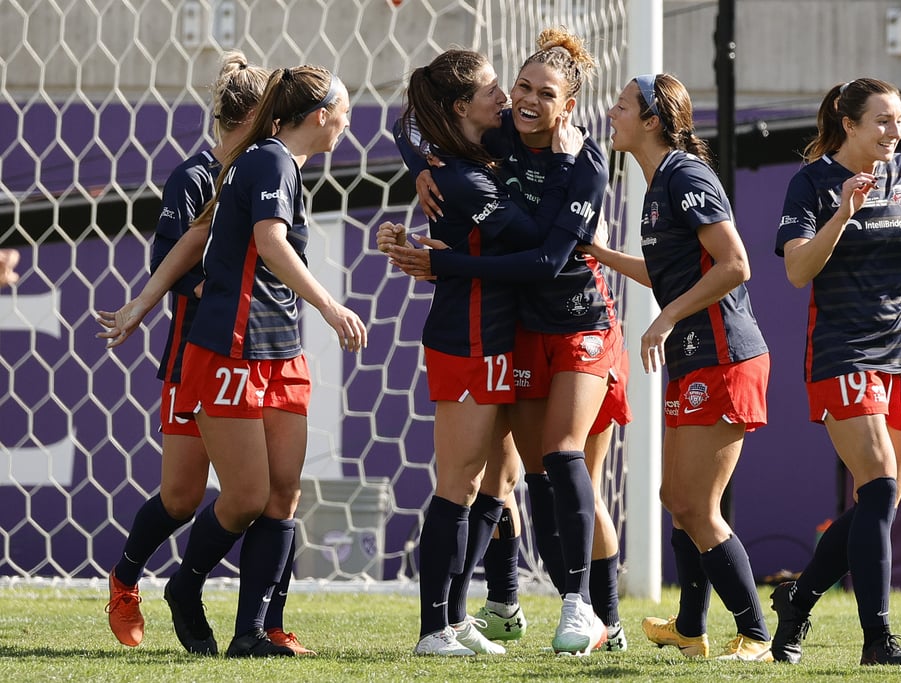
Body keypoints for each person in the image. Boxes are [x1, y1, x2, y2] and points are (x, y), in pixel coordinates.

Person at [100, 64, 367, 658]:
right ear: (321, 115)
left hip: (281, 350)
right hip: (231, 347)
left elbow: (201, 235)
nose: (349, 122)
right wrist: (329, 305)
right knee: (235, 497)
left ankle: (256, 631)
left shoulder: (268, 164)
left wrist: (140, 304)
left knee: (283, 497)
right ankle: (182, 585)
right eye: (344, 110)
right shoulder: (269, 159)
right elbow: (264, 240)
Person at [384, 28, 627, 655]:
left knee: (560, 465)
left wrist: (445, 266)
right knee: (495, 479)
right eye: (512, 85)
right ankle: (457, 618)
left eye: (542, 92)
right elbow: (407, 122)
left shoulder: (586, 160)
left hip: (577, 320)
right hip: (506, 333)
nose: (519, 98)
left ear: (567, 106)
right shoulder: (491, 149)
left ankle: (586, 611)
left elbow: (548, 259)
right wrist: (421, 169)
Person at [768, 77, 901, 666]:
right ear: (848, 123)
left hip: (900, 353)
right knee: (878, 485)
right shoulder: (811, 183)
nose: (894, 132)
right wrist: (843, 213)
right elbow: (797, 271)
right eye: (882, 120)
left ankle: (798, 599)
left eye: (899, 121)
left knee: (882, 503)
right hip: (841, 351)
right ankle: (878, 640)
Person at [584, 73, 773, 661]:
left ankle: (757, 635)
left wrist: (665, 319)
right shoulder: (659, 182)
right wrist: (598, 253)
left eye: (620, 107)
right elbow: (668, 272)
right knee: (677, 497)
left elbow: (736, 264)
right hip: (696, 359)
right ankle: (691, 628)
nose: (610, 114)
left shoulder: (687, 175)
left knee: (697, 506)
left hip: (724, 357)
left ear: (652, 121)